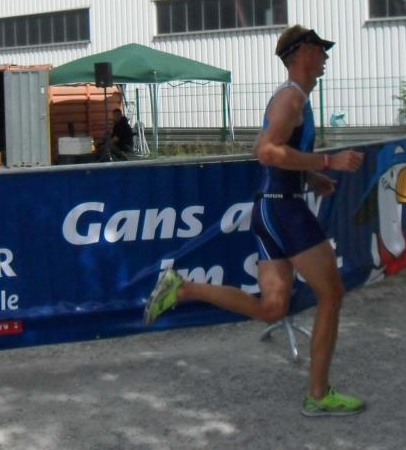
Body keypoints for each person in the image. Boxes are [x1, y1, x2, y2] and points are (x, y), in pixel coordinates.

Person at [144, 25, 367, 417]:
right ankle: (318, 395)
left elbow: (261, 147)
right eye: (321, 49)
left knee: (272, 309)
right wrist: (327, 161)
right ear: (302, 53)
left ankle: (183, 289)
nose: (326, 57)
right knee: (332, 294)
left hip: (272, 206)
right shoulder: (291, 98)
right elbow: (265, 152)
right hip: (284, 210)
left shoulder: (292, 98)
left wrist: (309, 175)